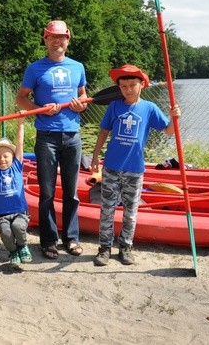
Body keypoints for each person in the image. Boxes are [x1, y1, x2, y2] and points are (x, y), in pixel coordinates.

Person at [90, 64, 181, 267]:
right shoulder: (114, 106)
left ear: (142, 85)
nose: (128, 89)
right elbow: (104, 131)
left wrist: (175, 118)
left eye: (132, 85)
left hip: (135, 169)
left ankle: (126, 246)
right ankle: (104, 247)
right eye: (123, 86)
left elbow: (168, 132)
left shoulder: (149, 108)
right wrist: (95, 156)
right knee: (107, 209)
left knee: (131, 211)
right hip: (112, 167)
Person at [16, 20, 88, 260]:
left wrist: (80, 106)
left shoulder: (78, 66)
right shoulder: (35, 68)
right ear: (45, 40)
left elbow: (83, 96)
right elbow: (21, 99)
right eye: (52, 37)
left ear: (68, 39)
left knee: (71, 192)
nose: (57, 41)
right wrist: (39, 109)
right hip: (46, 136)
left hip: (72, 135)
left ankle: (71, 238)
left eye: (62, 37)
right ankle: (48, 241)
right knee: (47, 192)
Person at [0, 117, 31, 269]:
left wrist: (21, 122)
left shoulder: (16, 167)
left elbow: (20, 143)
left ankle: (22, 246)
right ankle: (13, 251)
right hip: (2, 214)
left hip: (19, 212)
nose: (1, 159)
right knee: (5, 232)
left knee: (17, 227)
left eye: (6, 156)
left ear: (13, 156)